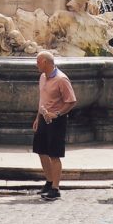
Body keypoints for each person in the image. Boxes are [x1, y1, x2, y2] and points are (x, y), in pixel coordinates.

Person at [33, 50, 76, 201]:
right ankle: (49, 181)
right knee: (41, 151)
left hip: (57, 120)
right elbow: (42, 99)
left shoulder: (61, 79)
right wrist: (38, 118)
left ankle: (56, 188)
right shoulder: (42, 77)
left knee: (54, 154)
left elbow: (71, 101)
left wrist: (57, 114)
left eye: (38, 62)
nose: (36, 64)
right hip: (43, 118)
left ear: (45, 62)